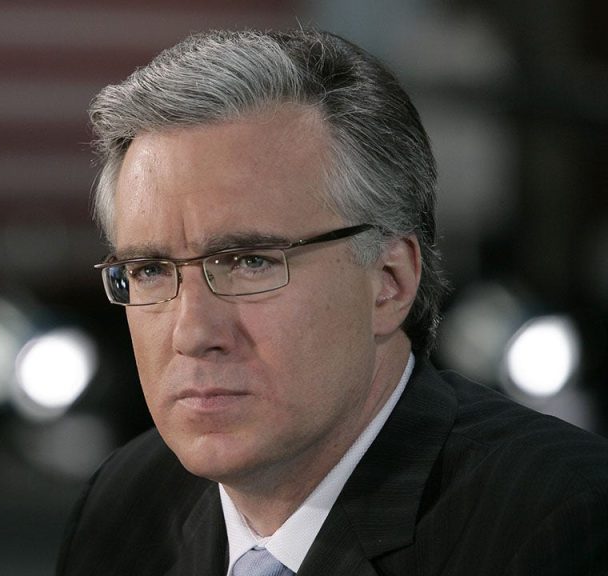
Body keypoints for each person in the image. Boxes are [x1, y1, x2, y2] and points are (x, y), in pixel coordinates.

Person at [56, 28, 608, 576]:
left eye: (250, 262)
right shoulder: (123, 507)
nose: (193, 333)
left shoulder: (562, 522)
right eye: (150, 271)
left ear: (389, 281)